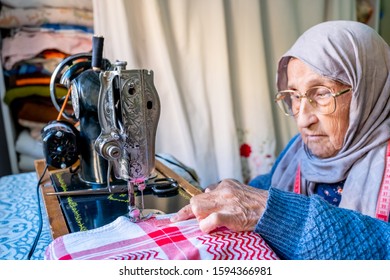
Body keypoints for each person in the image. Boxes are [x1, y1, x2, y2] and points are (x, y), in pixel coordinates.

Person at [171, 20, 390, 260]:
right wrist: (233, 195)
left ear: (369, 90)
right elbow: (271, 184)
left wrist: (273, 211)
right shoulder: (298, 151)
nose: (303, 119)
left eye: (322, 93)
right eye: (295, 96)